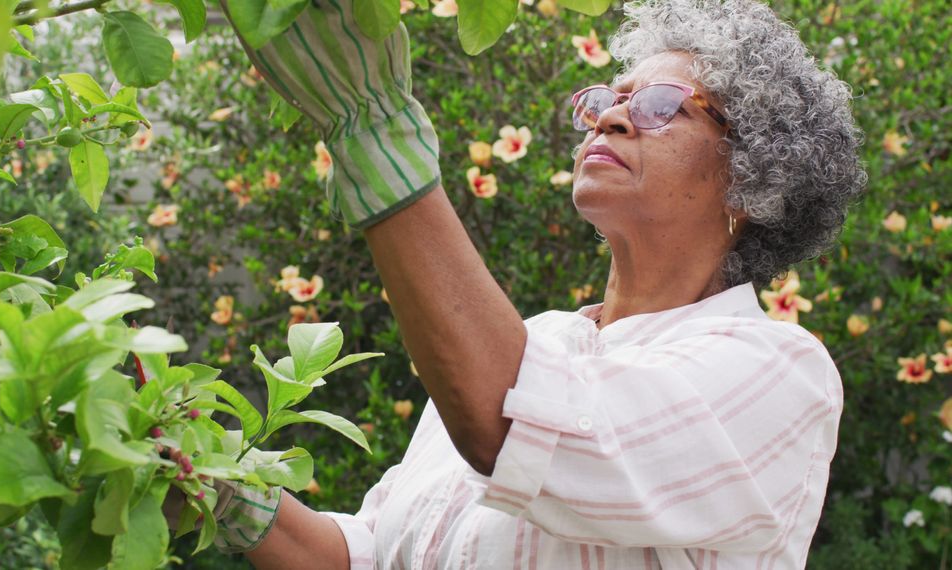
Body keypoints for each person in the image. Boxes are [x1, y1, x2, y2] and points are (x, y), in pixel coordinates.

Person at [168, 0, 868, 567]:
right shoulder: (537, 343)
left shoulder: (778, 372)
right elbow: (372, 553)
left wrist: (375, 132)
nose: (612, 117)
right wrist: (231, 490)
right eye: (605, 99)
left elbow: (511, 426)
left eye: (661, 104)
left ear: (754, 181)